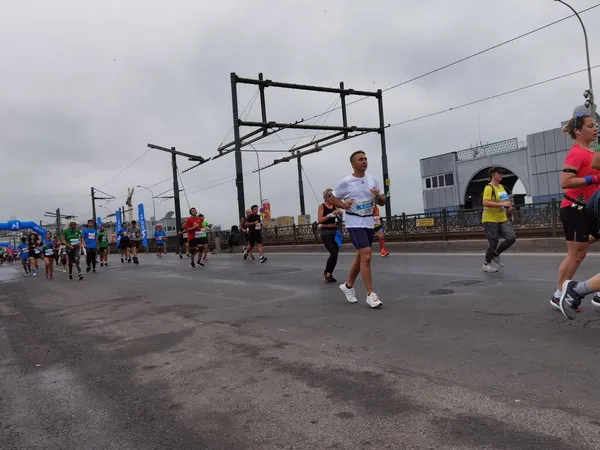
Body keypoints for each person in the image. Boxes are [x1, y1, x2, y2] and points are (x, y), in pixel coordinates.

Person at [552, 112, 600, 311]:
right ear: (578, 131)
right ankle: (559, 295)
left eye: (595, 125)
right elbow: (565, 182)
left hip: (590, 208)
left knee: (580, 250)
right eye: (590, 126)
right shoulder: (577, 153)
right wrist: (593, 180)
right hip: (574, 208)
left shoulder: (592, 152)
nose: (595, 128)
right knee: (576, 255)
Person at [329, 150, 384, 308]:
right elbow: (332, 198)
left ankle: (347, 286)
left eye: (366, 158)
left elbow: (383, 201)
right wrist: (343, 205)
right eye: (361, 159)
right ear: (353, 164)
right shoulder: (346, 182)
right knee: (367, 255)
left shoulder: (372, 179)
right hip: (354, 222)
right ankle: (370, 294)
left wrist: (378, 196)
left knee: (361, 257)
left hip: (368, 222)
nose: (364, 161)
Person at [481, 167, 516, 273]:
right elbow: (485, 202)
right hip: (490, 219)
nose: (501, 175)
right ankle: (486, 264)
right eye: (499, 173)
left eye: (502, 173)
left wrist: (509, 206)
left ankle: (496, 255)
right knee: (493, 242)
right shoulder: (489, 188)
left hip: (502, 218)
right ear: (492, 175)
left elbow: (505, 200)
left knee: (511, 238)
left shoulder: (501, 187)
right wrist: (501, 204)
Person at [318, 188, 341, 282]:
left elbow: (339, 218)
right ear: (325, 197)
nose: (331, 197)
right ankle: (326, 273)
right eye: (329, 195)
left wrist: (339, 214)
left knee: (336, 254)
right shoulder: (322, 206)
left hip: (334, 231)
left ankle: (329, 274)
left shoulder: (335, 206)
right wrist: (329, 215)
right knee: (333, 252)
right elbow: (320, 220)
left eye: (332, 195)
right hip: (325, 231)